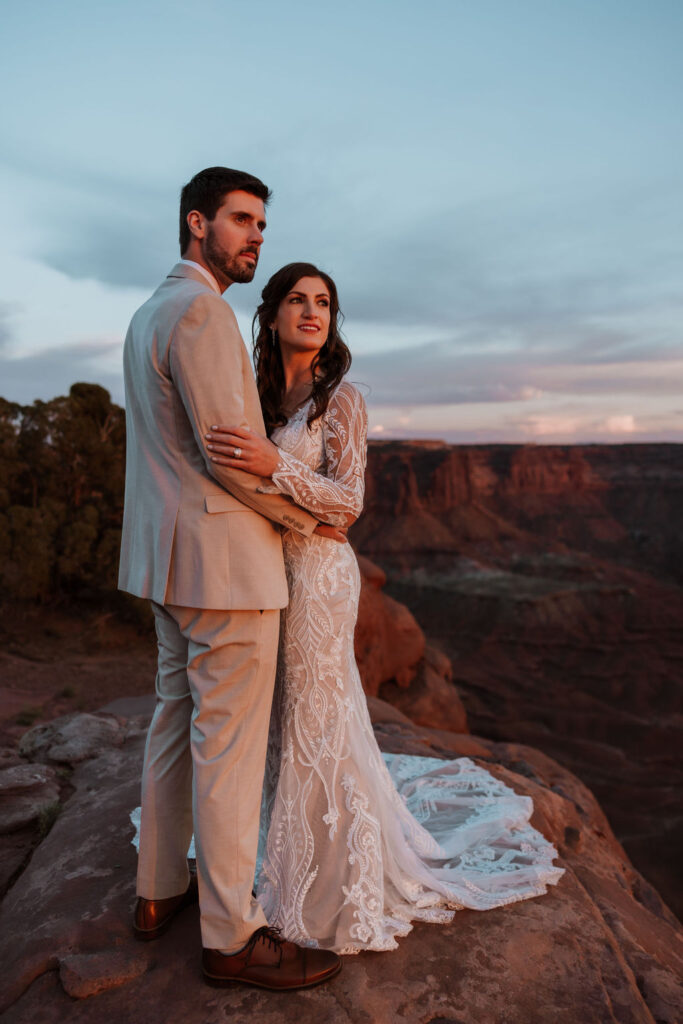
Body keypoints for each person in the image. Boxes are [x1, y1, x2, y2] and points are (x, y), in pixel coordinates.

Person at [203, 262, 565, 953]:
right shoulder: (254, 394)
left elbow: (348, 503)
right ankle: (267, 851)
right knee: (275, 718)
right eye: (298, 300)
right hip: (259, 574)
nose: (312, 312)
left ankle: (320, 878)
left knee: (313, 717)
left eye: (325, 303)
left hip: (315, 579)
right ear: (271, 314)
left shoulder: (342, 399)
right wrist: (281, 485)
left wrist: (272, 466)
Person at [118, 169, 343, 989]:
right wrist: (305, 519)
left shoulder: (148, 310)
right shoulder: (204, 313)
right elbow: (231, 459)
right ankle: (230, 936)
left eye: (260, 225)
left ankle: (156, 892)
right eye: (241, 221)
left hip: (165, 562)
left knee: (174, 720)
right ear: (196, 222)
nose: (254, 237)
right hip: (225, 571)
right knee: (230, 750)